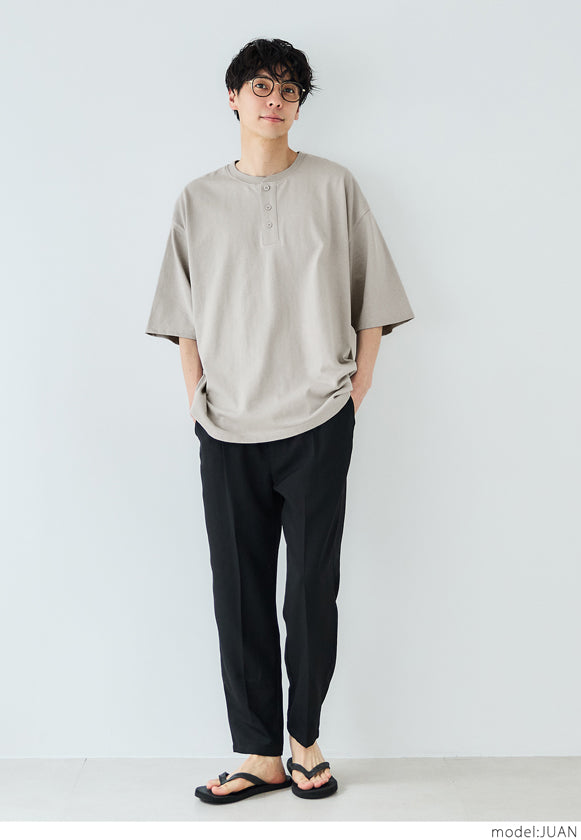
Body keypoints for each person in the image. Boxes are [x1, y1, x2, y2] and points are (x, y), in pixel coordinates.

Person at [145, 37, 415, 804]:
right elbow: (181, 316)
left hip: (318, 418)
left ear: (300, 106)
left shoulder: (334, 186)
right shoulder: (197, 200)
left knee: (309, 591)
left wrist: (357, 387)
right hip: (227, 424)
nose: (275, 100)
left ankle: (305, 740)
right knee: (238, 593)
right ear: (233, 97)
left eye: (290, 90)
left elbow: (373, 294)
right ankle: (258, 751)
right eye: (261, 86)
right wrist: (197, 398)